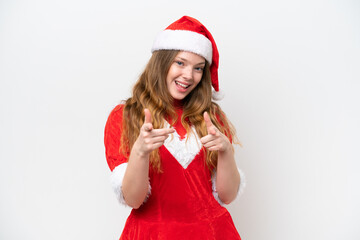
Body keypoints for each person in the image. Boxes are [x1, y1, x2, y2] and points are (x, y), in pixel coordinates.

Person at [104, 16, 246, 240]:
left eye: (198, 68)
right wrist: (140, 152)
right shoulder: (124, 117)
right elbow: (134, 199)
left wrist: (226, 151)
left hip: (212, 233)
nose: (189, 76)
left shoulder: (212, 117)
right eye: (180, 63)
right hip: (151, 234)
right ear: (162, 62)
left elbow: (227, 196)